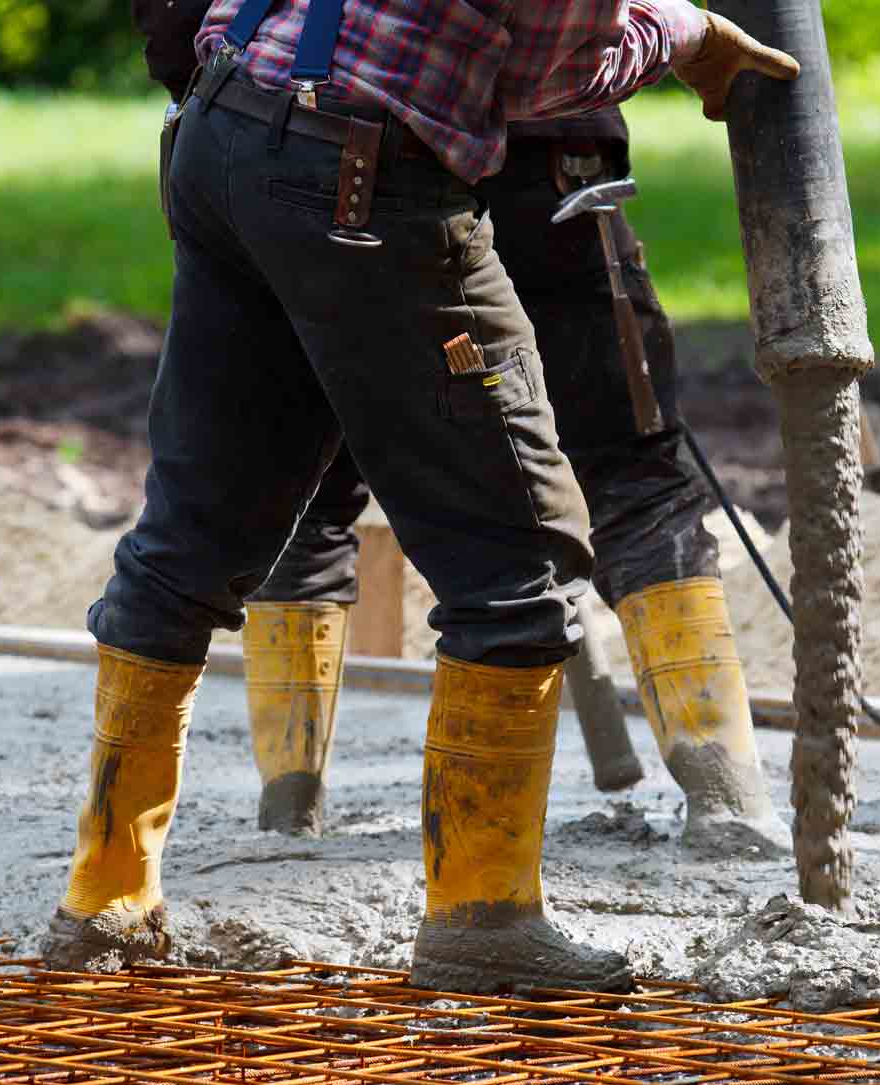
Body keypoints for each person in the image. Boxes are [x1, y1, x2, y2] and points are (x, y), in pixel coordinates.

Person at [45, 0, 798, 995]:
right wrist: (688, 37)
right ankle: (483, 918)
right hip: (364, 179)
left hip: (225, 126)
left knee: (192, 536)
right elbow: (538, 83)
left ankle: (107, 898)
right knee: (523, 554)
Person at [244, 105, 789, 861]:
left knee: (305, 483)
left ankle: (287, 807)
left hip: (320, 152)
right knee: (633, 471)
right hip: (536, 151)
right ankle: (729, 797)